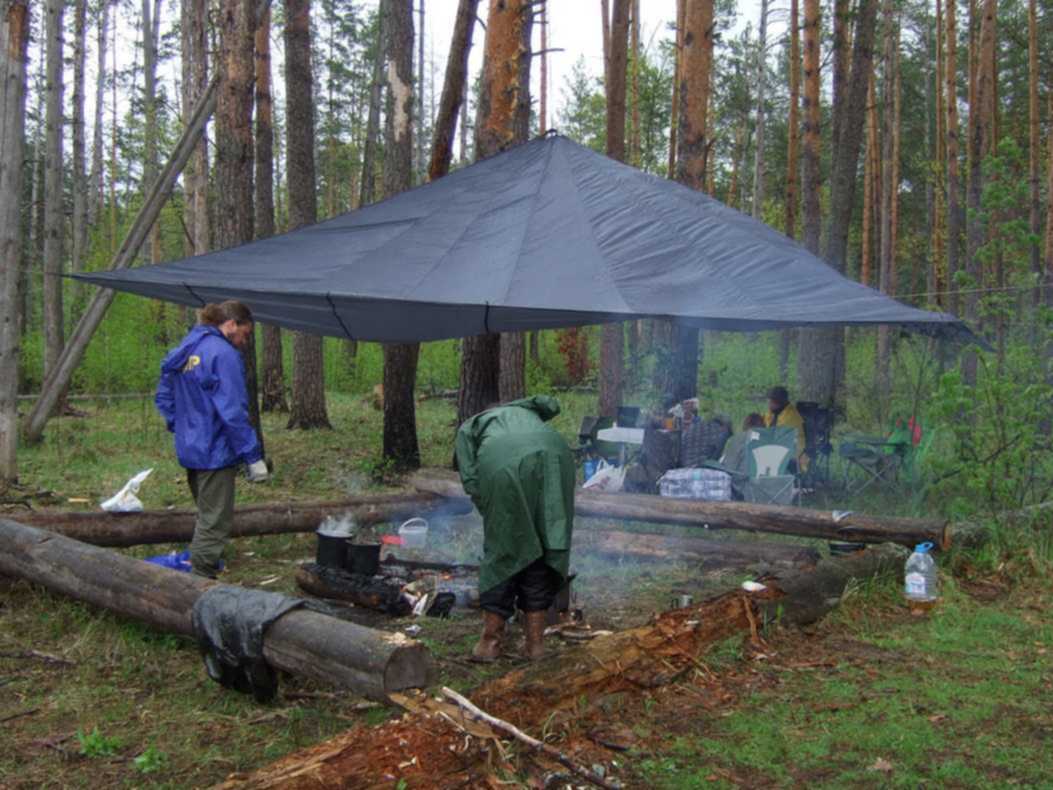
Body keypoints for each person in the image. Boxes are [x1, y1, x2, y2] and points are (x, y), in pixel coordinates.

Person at [455, 396, 575, 662]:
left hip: (504, 466)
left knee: (504, 549)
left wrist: (489, 507)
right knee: (545, 544)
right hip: (558, 458)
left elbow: (471, 479)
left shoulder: (472, 425)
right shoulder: (530, 415)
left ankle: (490, 643)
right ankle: (535, 646)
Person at [155, 300, 268, 578]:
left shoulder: (187, 349)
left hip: (191, 449)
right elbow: (232, 411)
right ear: (231, 324)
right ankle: (200, 583)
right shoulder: (222, 353)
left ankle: (201, 567)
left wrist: (181, 427)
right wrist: (253, 456)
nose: (243, 341)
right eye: (245, 334)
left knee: (206, 514)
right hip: (214, 451)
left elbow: (164, 396)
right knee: (214, 522)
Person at [764, 386, 808, 471]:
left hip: (794, 454)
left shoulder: (790, 416)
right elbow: (765, 423)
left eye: (770, 401)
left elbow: (776, 437)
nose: (768, 404)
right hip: (780, 449)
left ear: (778, 403)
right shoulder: (775, 412)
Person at [720, 413, 766, 480]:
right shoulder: (770, 441)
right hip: (767, 485)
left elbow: (728, 468)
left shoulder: (739, 438)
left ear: (747, 423)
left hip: (741, 485)